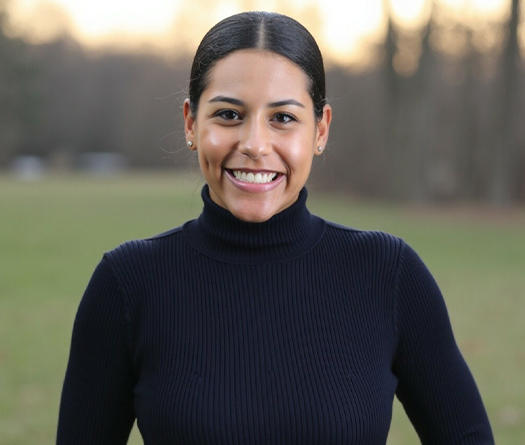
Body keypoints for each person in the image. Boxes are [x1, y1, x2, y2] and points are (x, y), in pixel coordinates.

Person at [56, 11, 495, 445]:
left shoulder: (388, 274)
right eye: (229, 114)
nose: (254, 144)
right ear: (191, 123)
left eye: (283, 118)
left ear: (320, 130)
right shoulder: (128, 284)